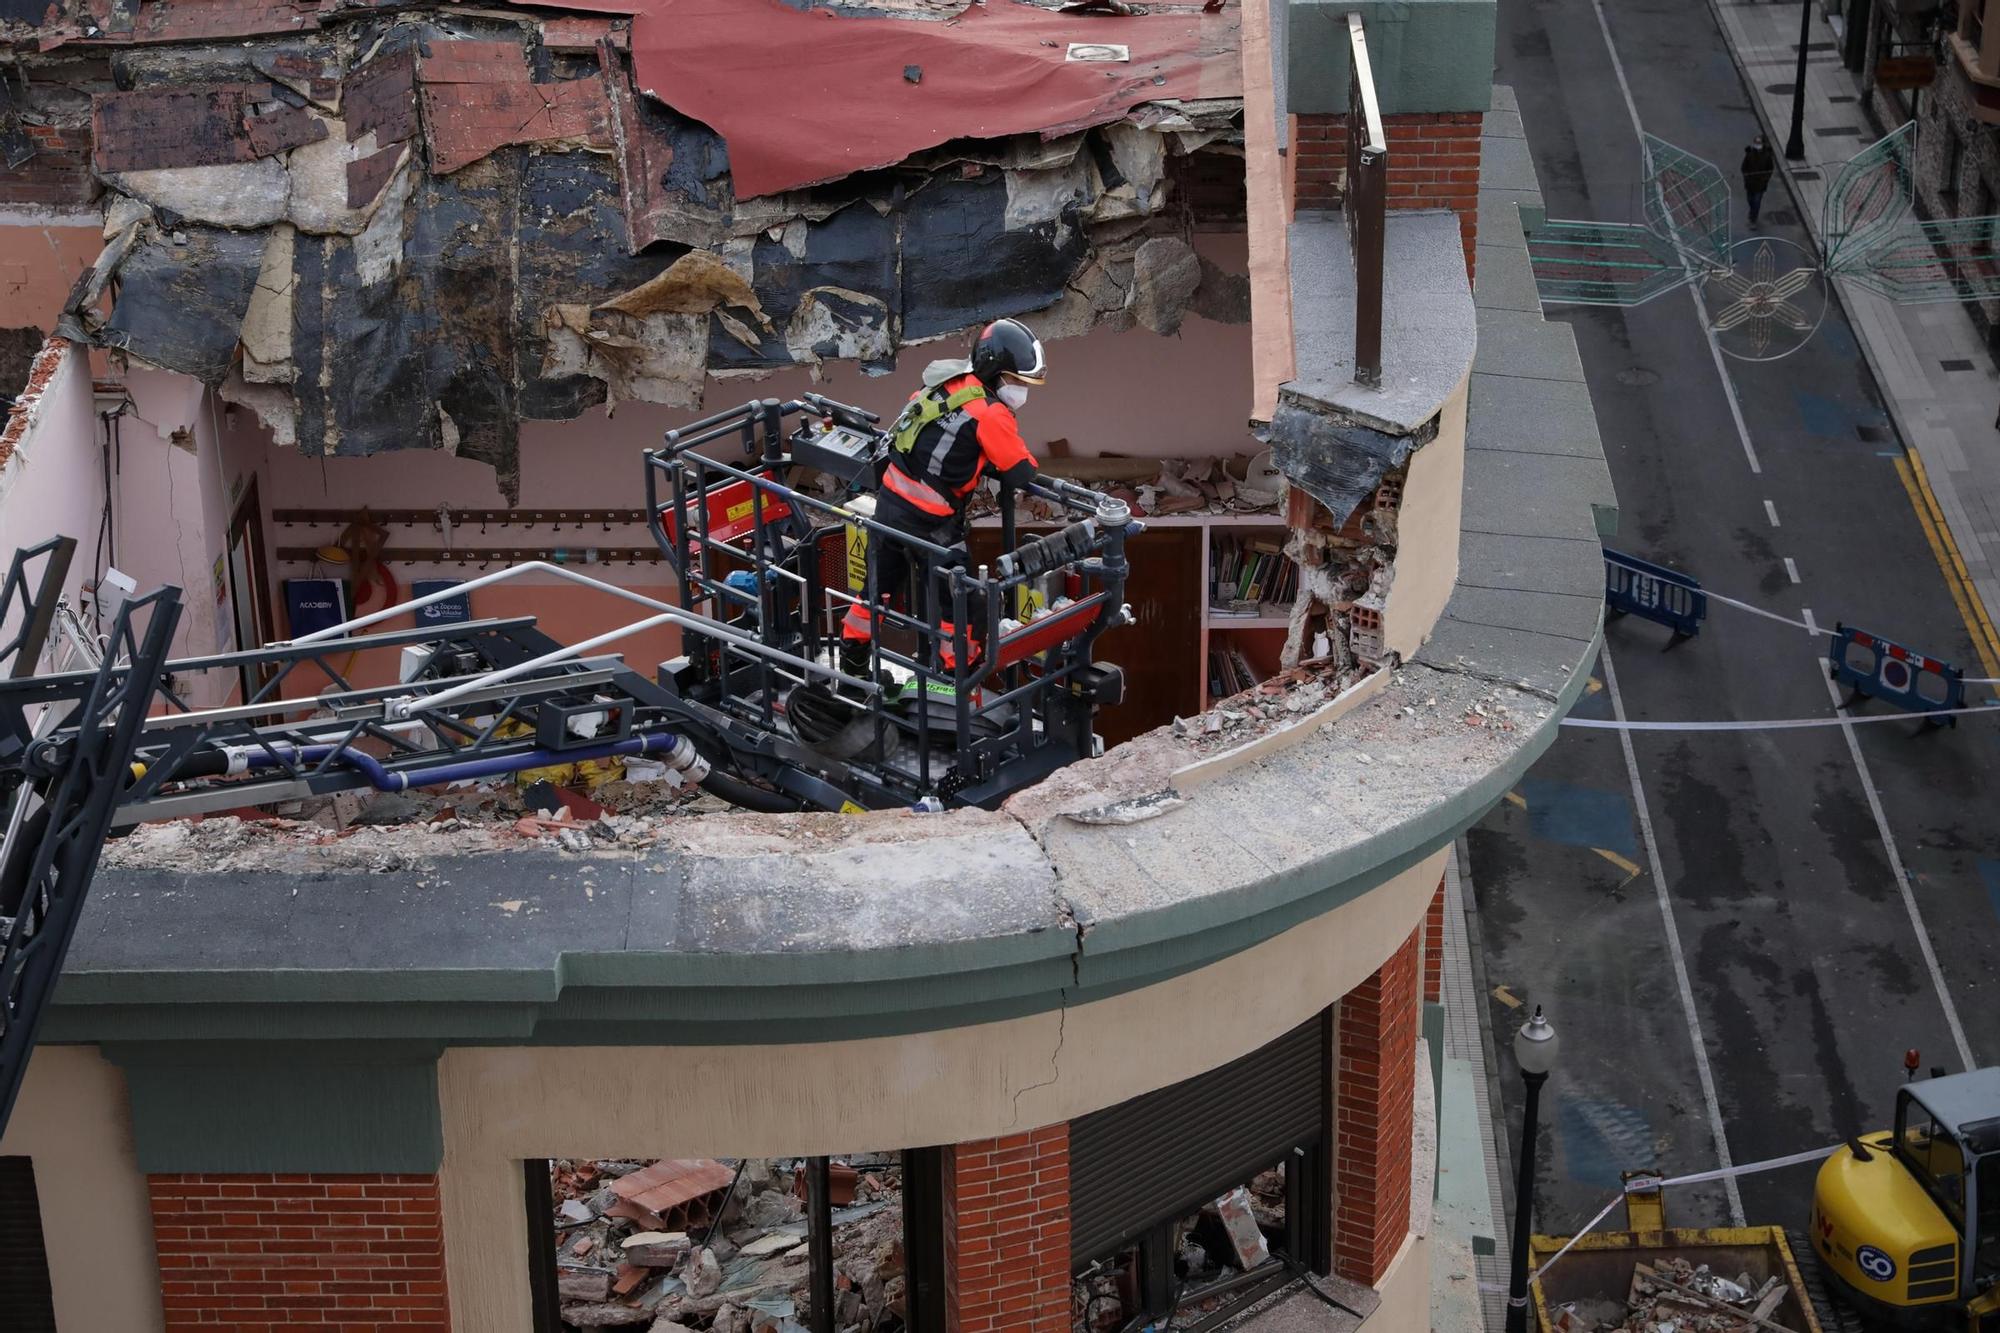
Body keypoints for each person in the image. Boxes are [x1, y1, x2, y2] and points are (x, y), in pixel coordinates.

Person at [839, 317, 1045, 681]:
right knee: (961, 601)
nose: (1021, 391)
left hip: (889, 504)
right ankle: (957, 679)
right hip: (931, 523)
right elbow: (1020, 471)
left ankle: (851, 671)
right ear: (996, 373)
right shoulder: (991, 413)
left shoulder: (948, 382)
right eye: (1016, 381)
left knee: (876, 594)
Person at [1741, 134, 1776, 228]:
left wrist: (1765, 179)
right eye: (1756, 142)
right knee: (1750, 199)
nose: (1757, 144)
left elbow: (1770, 169)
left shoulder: (1767, 156)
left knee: (1756, 201)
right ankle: (1752, 212)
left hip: (1760, 184)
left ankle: (1753, 219)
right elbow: (1744, 167)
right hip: (1750, 183)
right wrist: (1747, 177)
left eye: (1759, 143)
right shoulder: (1750, 154)